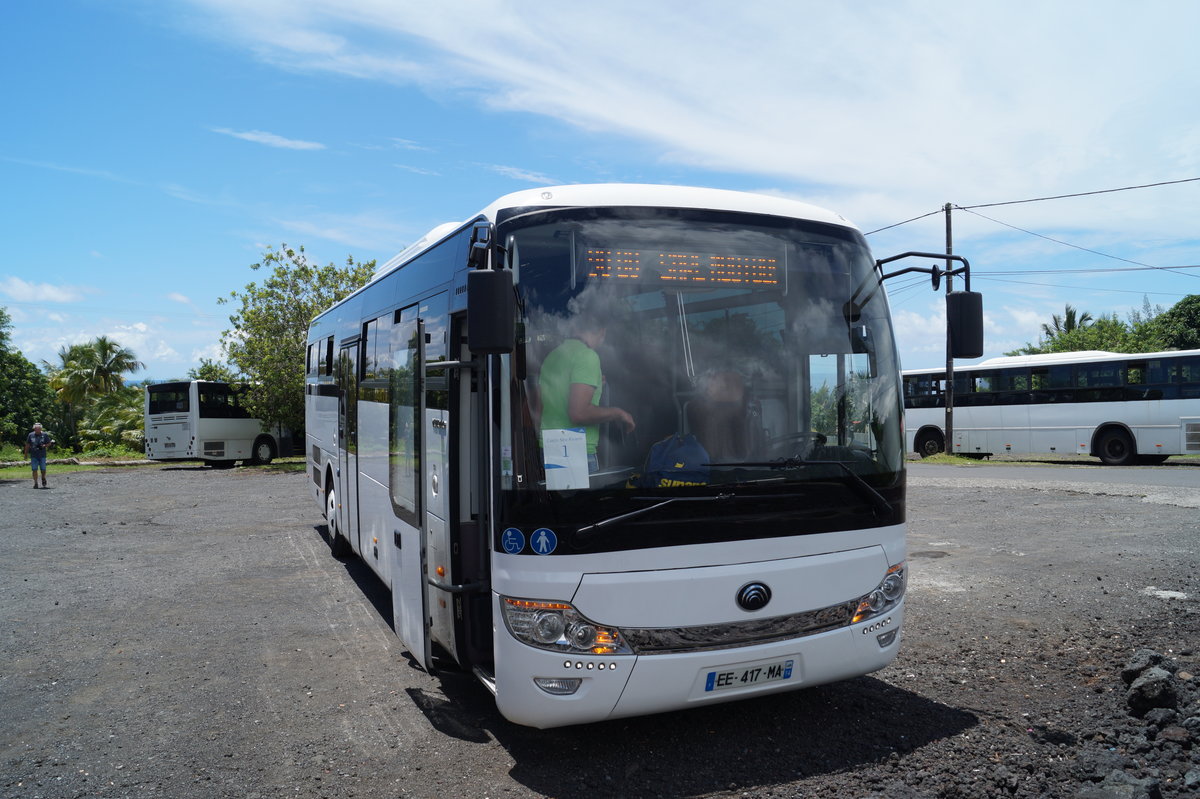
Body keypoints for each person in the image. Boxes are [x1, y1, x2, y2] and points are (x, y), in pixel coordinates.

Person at [538, 314, 635, 473]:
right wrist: (619, 413)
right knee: (580, 499)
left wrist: (594, 383)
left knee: (561, 497)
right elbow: (579, 413)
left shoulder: (554, 355)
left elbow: (550, 396)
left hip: (551, 446)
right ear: (602, 332)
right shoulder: (587, 356)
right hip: (575, 449)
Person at [24, 422, 55, 489]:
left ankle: (43, 477)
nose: (37, 430)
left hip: (42, 455)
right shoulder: (30, 435)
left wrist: (44, 445)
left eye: (38, 429)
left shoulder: (45, 435)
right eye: (36, 429)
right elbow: (27, 445)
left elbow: (49, 443)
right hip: (34, 455)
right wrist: (25, 454)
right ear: (34, 429)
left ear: (41, 429)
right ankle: (35, 483)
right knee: (34, 469)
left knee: (43, 469)